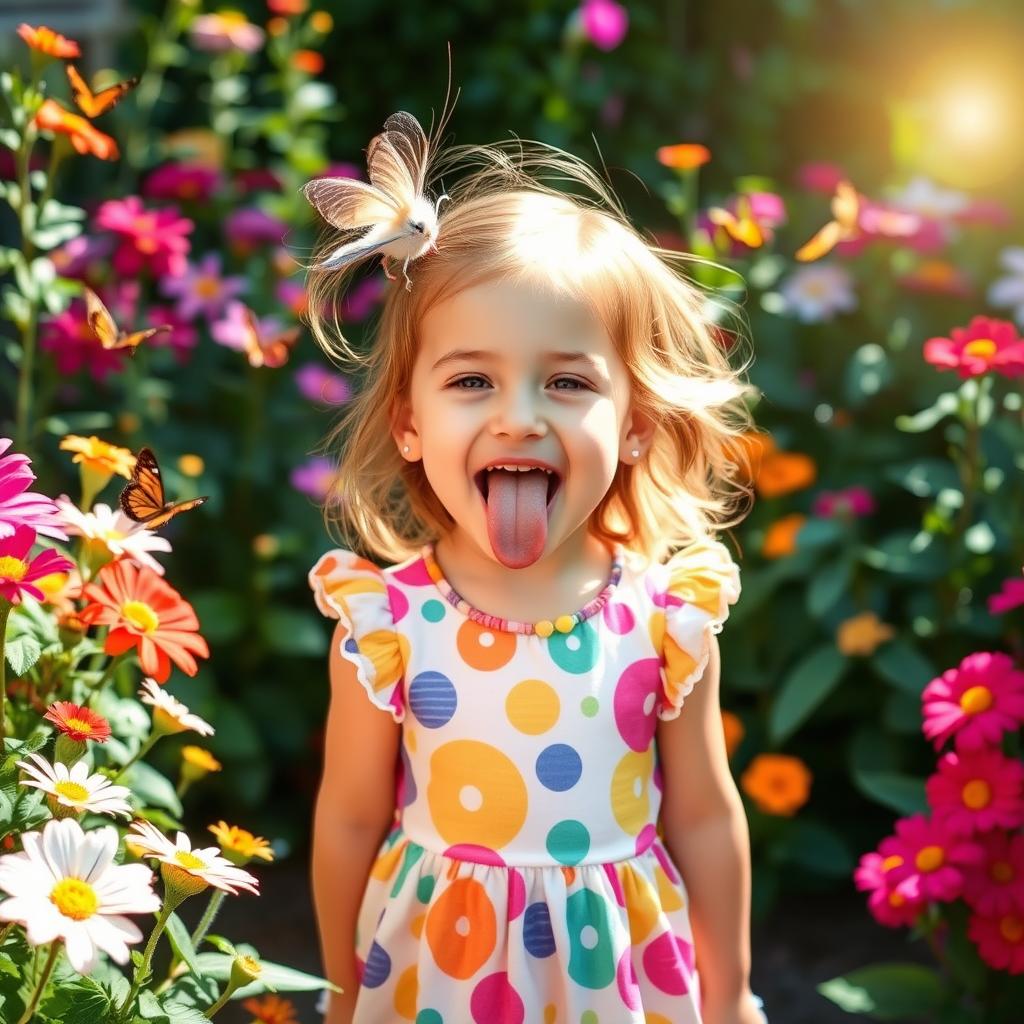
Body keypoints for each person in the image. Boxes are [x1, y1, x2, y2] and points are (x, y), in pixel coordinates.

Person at [304, 114, 769, 1024]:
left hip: (616, 973)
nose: (518, 417)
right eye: (472, 381)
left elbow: (707, 817)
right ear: (409, 422)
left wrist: (731, 995)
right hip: (434, 971)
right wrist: (337, 986)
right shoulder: (385, 629)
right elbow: (350, 818)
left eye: (567, 382)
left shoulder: (666, 621)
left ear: (635, 422)